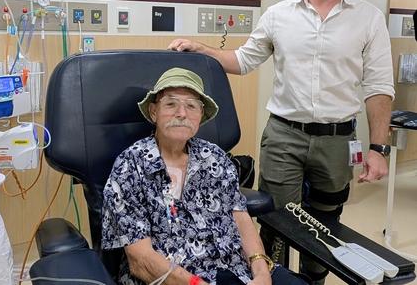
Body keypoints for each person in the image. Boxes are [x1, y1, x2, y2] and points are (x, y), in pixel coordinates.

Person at [168, 0, 394, 284]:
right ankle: (275, 278)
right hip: (284, 136)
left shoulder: (368, 18)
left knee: (326, 221)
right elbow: (243, 61)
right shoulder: (279, 15)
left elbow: (380, 86)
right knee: (276, 220)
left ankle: (314, 279)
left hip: (338, 140)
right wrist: (202, 49)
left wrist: (378, 148)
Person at [101, 68, 307, 285]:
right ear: (154, 112)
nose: (182, 113)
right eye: (171, 104)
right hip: (174, 278)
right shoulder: (130, 165)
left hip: (234, 267)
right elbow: (140, 260)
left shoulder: (215, 157)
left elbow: (241, 218)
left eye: (191, 106)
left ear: (200, 115)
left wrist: (262, 271)